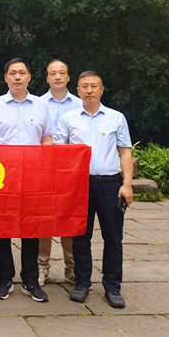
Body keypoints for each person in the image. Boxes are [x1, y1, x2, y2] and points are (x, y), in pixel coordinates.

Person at [54, 71, 133, 308]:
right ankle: (81, 282)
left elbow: (125, 152)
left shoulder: (116, 117)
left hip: (110, 185)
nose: (89, 90)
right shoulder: (68, 119)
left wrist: (127, 184)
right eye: (84, 86)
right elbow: (58, 150)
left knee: (113, 238)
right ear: (77, 90)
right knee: (80, 237)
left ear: (101, 90)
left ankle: (113, 286)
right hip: (79, 185)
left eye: (93, 86)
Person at [0, 58, 54, 302]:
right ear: (5, 78)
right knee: (2, 230)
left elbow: (47, 139)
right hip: (2, 178)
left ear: (29, 77)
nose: (17, 77)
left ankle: (30, 280)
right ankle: (4, 278)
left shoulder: (41, 106)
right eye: (12, 73)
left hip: (33, 176)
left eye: (21, 73)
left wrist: (46, 170)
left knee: (31, 228)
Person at [37, 60, 82, 286]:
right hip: (43, 168)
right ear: (46, 78)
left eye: (61, 73)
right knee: (44, 219)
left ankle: (71, 268)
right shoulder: (38, 104)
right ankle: (42, 267)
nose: (57, 77)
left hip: (71, 170)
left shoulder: (79, 103)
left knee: (69, 218)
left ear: (68, 77)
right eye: (52, 73)